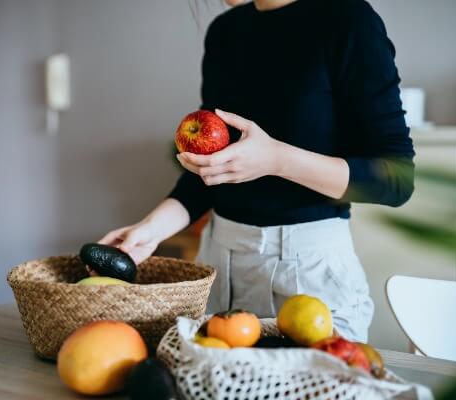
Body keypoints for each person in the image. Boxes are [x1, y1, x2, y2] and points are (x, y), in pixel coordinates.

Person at [100, 0, 415, 342]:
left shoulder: (348, 19)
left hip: (307, 276)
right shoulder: (225, 32)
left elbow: (396, 180)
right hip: (218, 265)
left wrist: (276, 159)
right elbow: (210, 172)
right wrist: (150, 230)